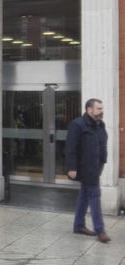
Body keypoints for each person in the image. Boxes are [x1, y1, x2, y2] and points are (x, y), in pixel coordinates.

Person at [66, 98, 110, 243]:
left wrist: (103, 161)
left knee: (84, 195)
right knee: (94, 196)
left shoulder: (100, 124)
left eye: (102, 108)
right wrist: (71, 167)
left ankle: (79, 225)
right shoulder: (78, 124)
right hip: (86, 167)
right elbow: (71, 148)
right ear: (89, 110)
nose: (102, 111)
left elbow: (102, 142)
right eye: (99, 109)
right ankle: (100, 230)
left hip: (97, 165)